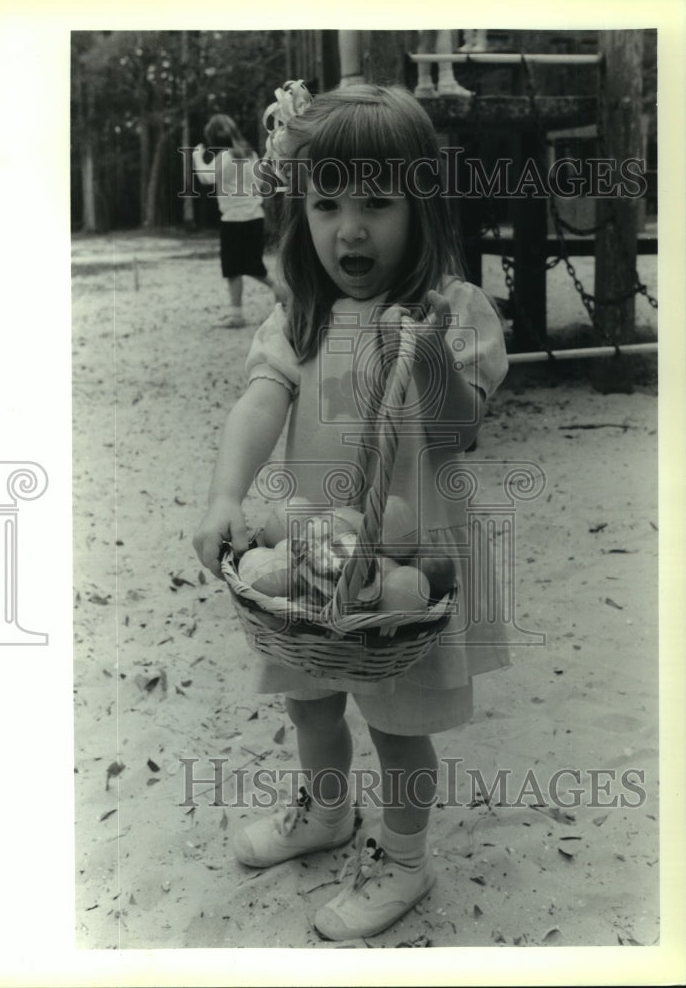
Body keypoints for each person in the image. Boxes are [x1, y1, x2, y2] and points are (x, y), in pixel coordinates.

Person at [193, 81, 510, 941]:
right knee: (309, 699)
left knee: (398, 723)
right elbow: (261, 400)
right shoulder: (302, 312)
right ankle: (326, 812)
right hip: (312, 550)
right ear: (301, 212)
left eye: (377, 201)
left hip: (409, 563)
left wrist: (433, 352)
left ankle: (405, 857)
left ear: (422, 206)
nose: (350, 228)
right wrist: (227, 495)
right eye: (327, 203)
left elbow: (459, 427)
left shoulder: (453, 310)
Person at [192, 114, 282, 328]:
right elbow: (261, 184)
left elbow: (206, 177)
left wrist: (197, 156)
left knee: (234, 269)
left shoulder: (224, 156)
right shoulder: (250, 154)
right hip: (254, 217)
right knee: (252, 266)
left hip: (234, 220)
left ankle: (243, 311)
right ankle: (268, 298)